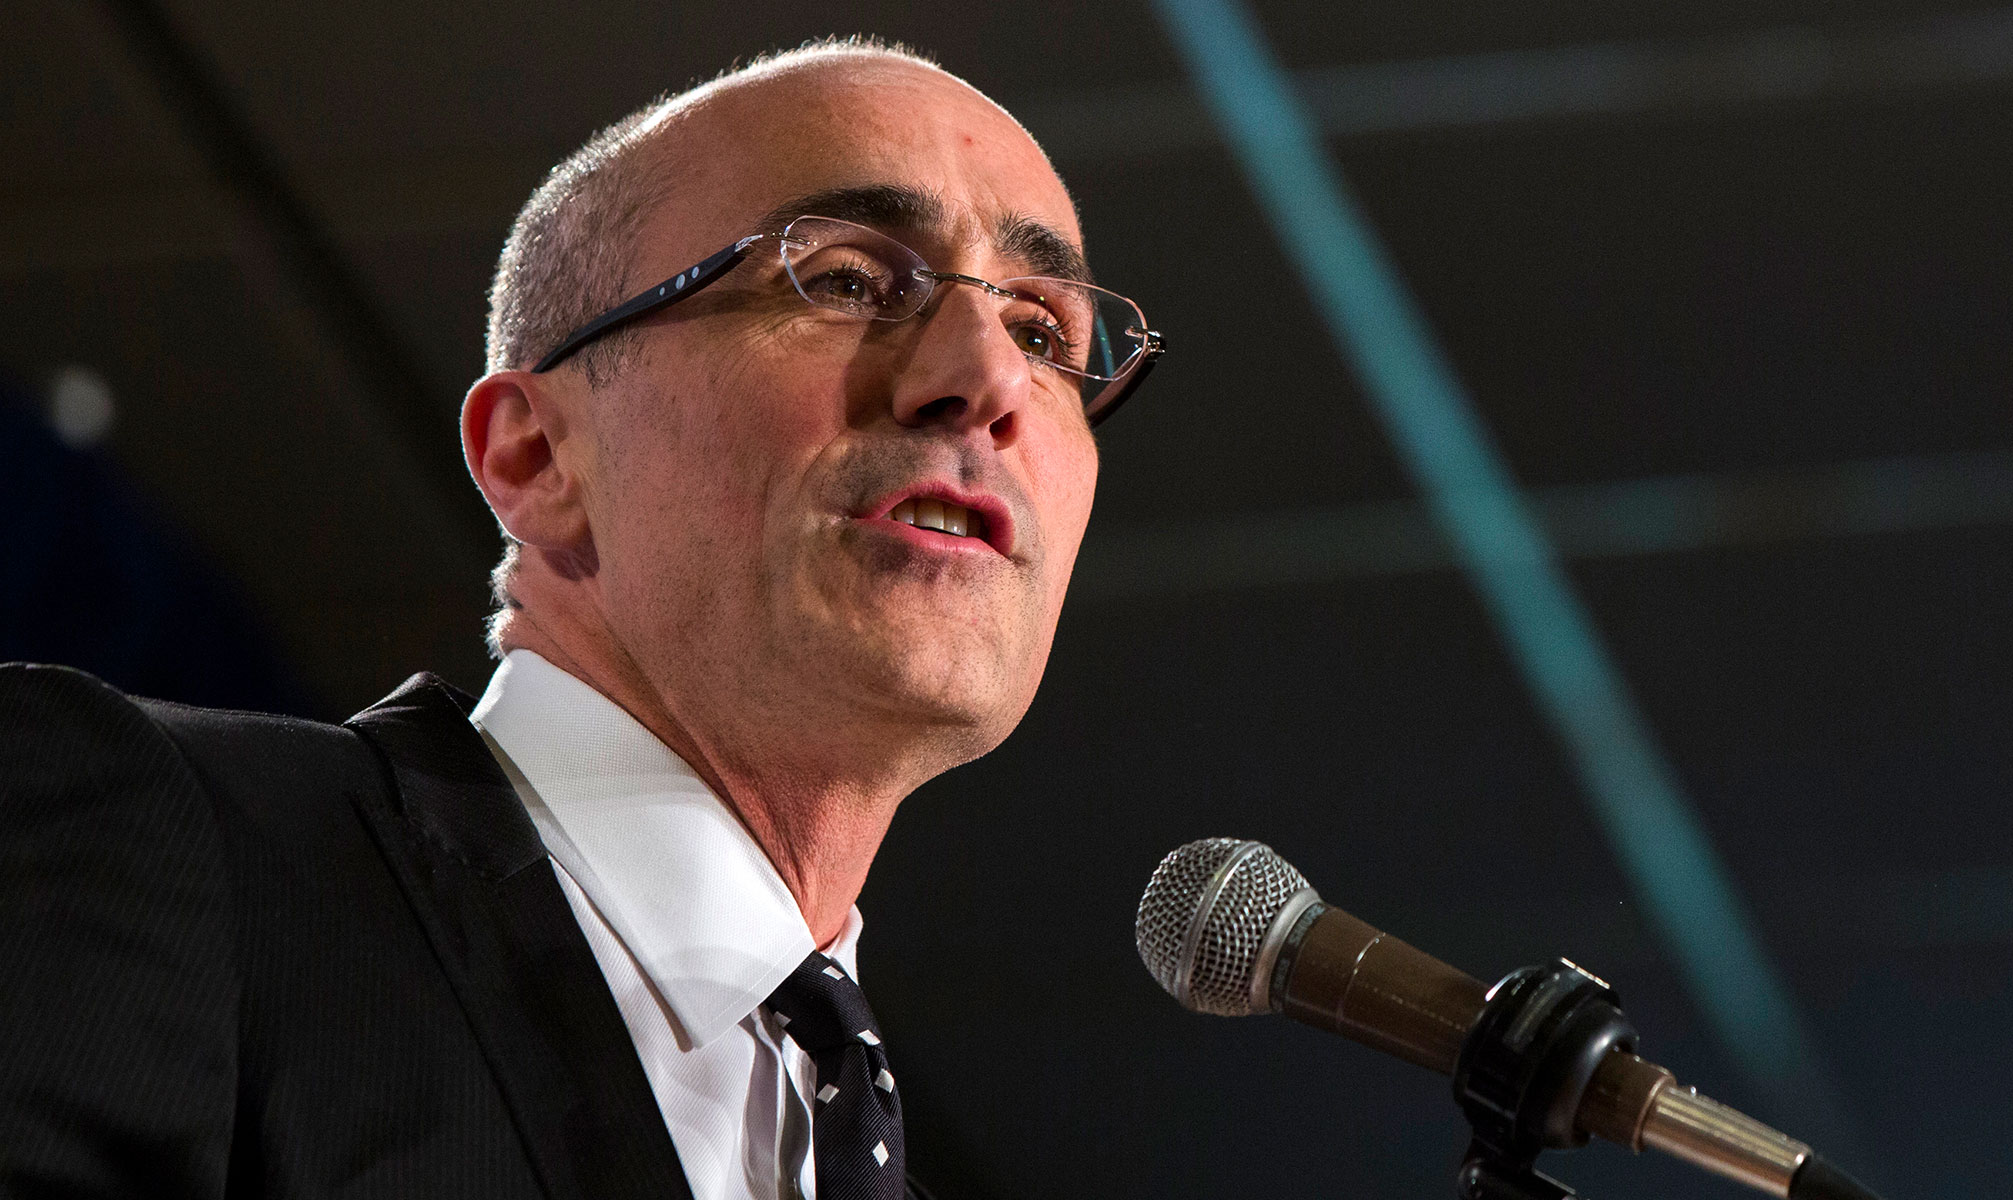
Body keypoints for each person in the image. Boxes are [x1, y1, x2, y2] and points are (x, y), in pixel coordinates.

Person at [0, 39, 1162, 1200]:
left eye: (1041, 333)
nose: (989, 379)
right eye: (850, 280)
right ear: (536, 456)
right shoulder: (166, 846)